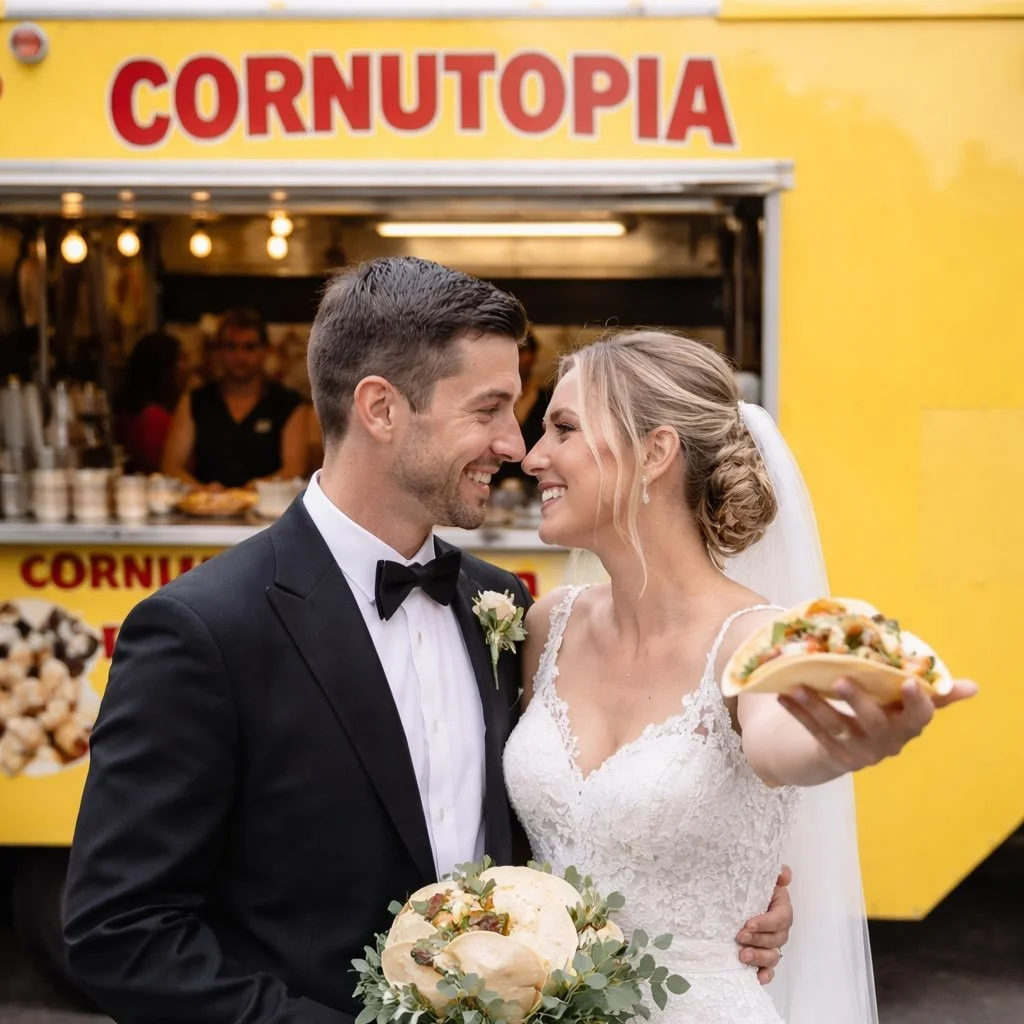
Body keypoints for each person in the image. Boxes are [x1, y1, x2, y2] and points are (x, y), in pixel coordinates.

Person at [62, 260, 788, 1023]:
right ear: (380, 408)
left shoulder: (504, 607)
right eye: (491, 409)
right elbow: (121, 934)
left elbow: (573, 823)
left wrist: (714, 886)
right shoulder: (204, 630)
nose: (516, 445)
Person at [506, 329, 977, 1024]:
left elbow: (782, 744)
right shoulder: (547, 626)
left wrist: (848, 741)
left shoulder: (757, 642)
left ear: (656, 453)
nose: (532, 455)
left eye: (563, 428)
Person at [161, 308, 307, 489]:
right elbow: (171, 466)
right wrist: (203, 492)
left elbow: (294, 468)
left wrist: (256, 488)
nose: (240, 356)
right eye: (231, 346)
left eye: (249, 347)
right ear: (219, 351)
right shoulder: (194, 401)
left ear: (265, 351)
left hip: (270, 510)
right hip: (206, 510)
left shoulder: (289, 404)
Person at [114, 330, 188, 474]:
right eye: (181, 360)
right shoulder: (153, 418)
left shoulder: (139, 410)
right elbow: (165, 471)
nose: (187, 367)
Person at [492, 330, 552, 491]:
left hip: (538, 492)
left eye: (521, 351)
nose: (515, 359)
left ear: (533, 357)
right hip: (492, 489)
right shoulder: (489, 403)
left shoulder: (549, 400)